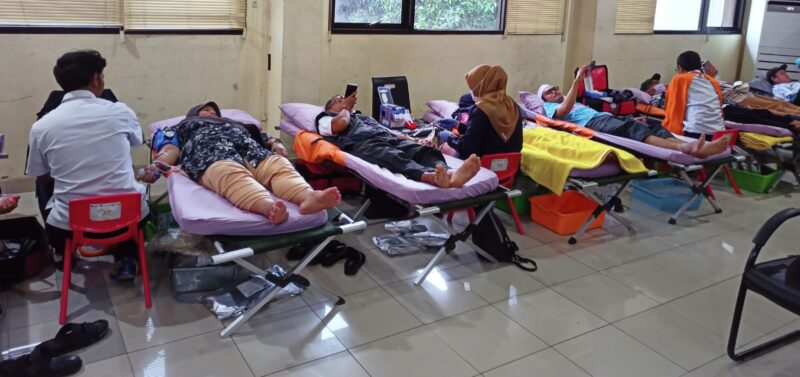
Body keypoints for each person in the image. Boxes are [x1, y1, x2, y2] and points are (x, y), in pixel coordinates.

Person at [26, 50, 147, 280]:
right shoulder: (120, 111)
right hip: (128, 219)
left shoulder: (42, 126)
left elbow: (41, 175)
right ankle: (127, 260)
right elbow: (136, 141)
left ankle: (63, 254)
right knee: (130, 184)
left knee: (43, 185)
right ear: (96, 79)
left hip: (69, 225)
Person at [142, 101, 340, 224]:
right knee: (228, 173)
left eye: (214, 111)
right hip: (211, 151)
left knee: (277, 166)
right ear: (193, 115)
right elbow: (170, 149)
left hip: (249, 148)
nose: (212, 113)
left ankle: (307, 197)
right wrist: (157, 165)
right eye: (206, 110)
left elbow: (264, 138)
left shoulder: (237, 124)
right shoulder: (182, 127)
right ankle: (267, 207)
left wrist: (275, 143)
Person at [539, 64, 729, 158]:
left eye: (555, 88)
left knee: (652, 124)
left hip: (605, 118)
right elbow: (564, 111)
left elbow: (572, 103)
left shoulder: (575, 101)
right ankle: (683, 148)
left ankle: (696, 147)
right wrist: (576, 82)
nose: (555, 91)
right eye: (549, 92)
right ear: (544, 99)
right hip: (593, 124)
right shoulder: (550, 108)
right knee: (632, 128)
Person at [316, 92, 481, 188]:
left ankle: (451, 174)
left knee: (423, 151)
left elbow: (385, 130)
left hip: (385, 137)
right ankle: (430, 177)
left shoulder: (359, 116)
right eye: (339, 100)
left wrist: (409, 139)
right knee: (392, 155)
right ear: (329, 107)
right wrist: (345, 108)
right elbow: (340, 125)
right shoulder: (325, 118)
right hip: (363, 143)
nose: (344, 101)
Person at [445, 65, 523, 158]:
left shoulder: (481, 109)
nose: (472, 91)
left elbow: (467, 150)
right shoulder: (512, 105)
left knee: (445, 149)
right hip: (511, 167)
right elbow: (489, 132)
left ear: (481, 85)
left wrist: (449, 137)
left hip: (482, 168)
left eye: (472, 87)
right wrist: (459, 126)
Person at [662, 51, 728, 140]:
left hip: (695, 133)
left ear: (680, 68)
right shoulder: (712, 80)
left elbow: (671, 106)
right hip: (719, 133)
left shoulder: (679, 79)